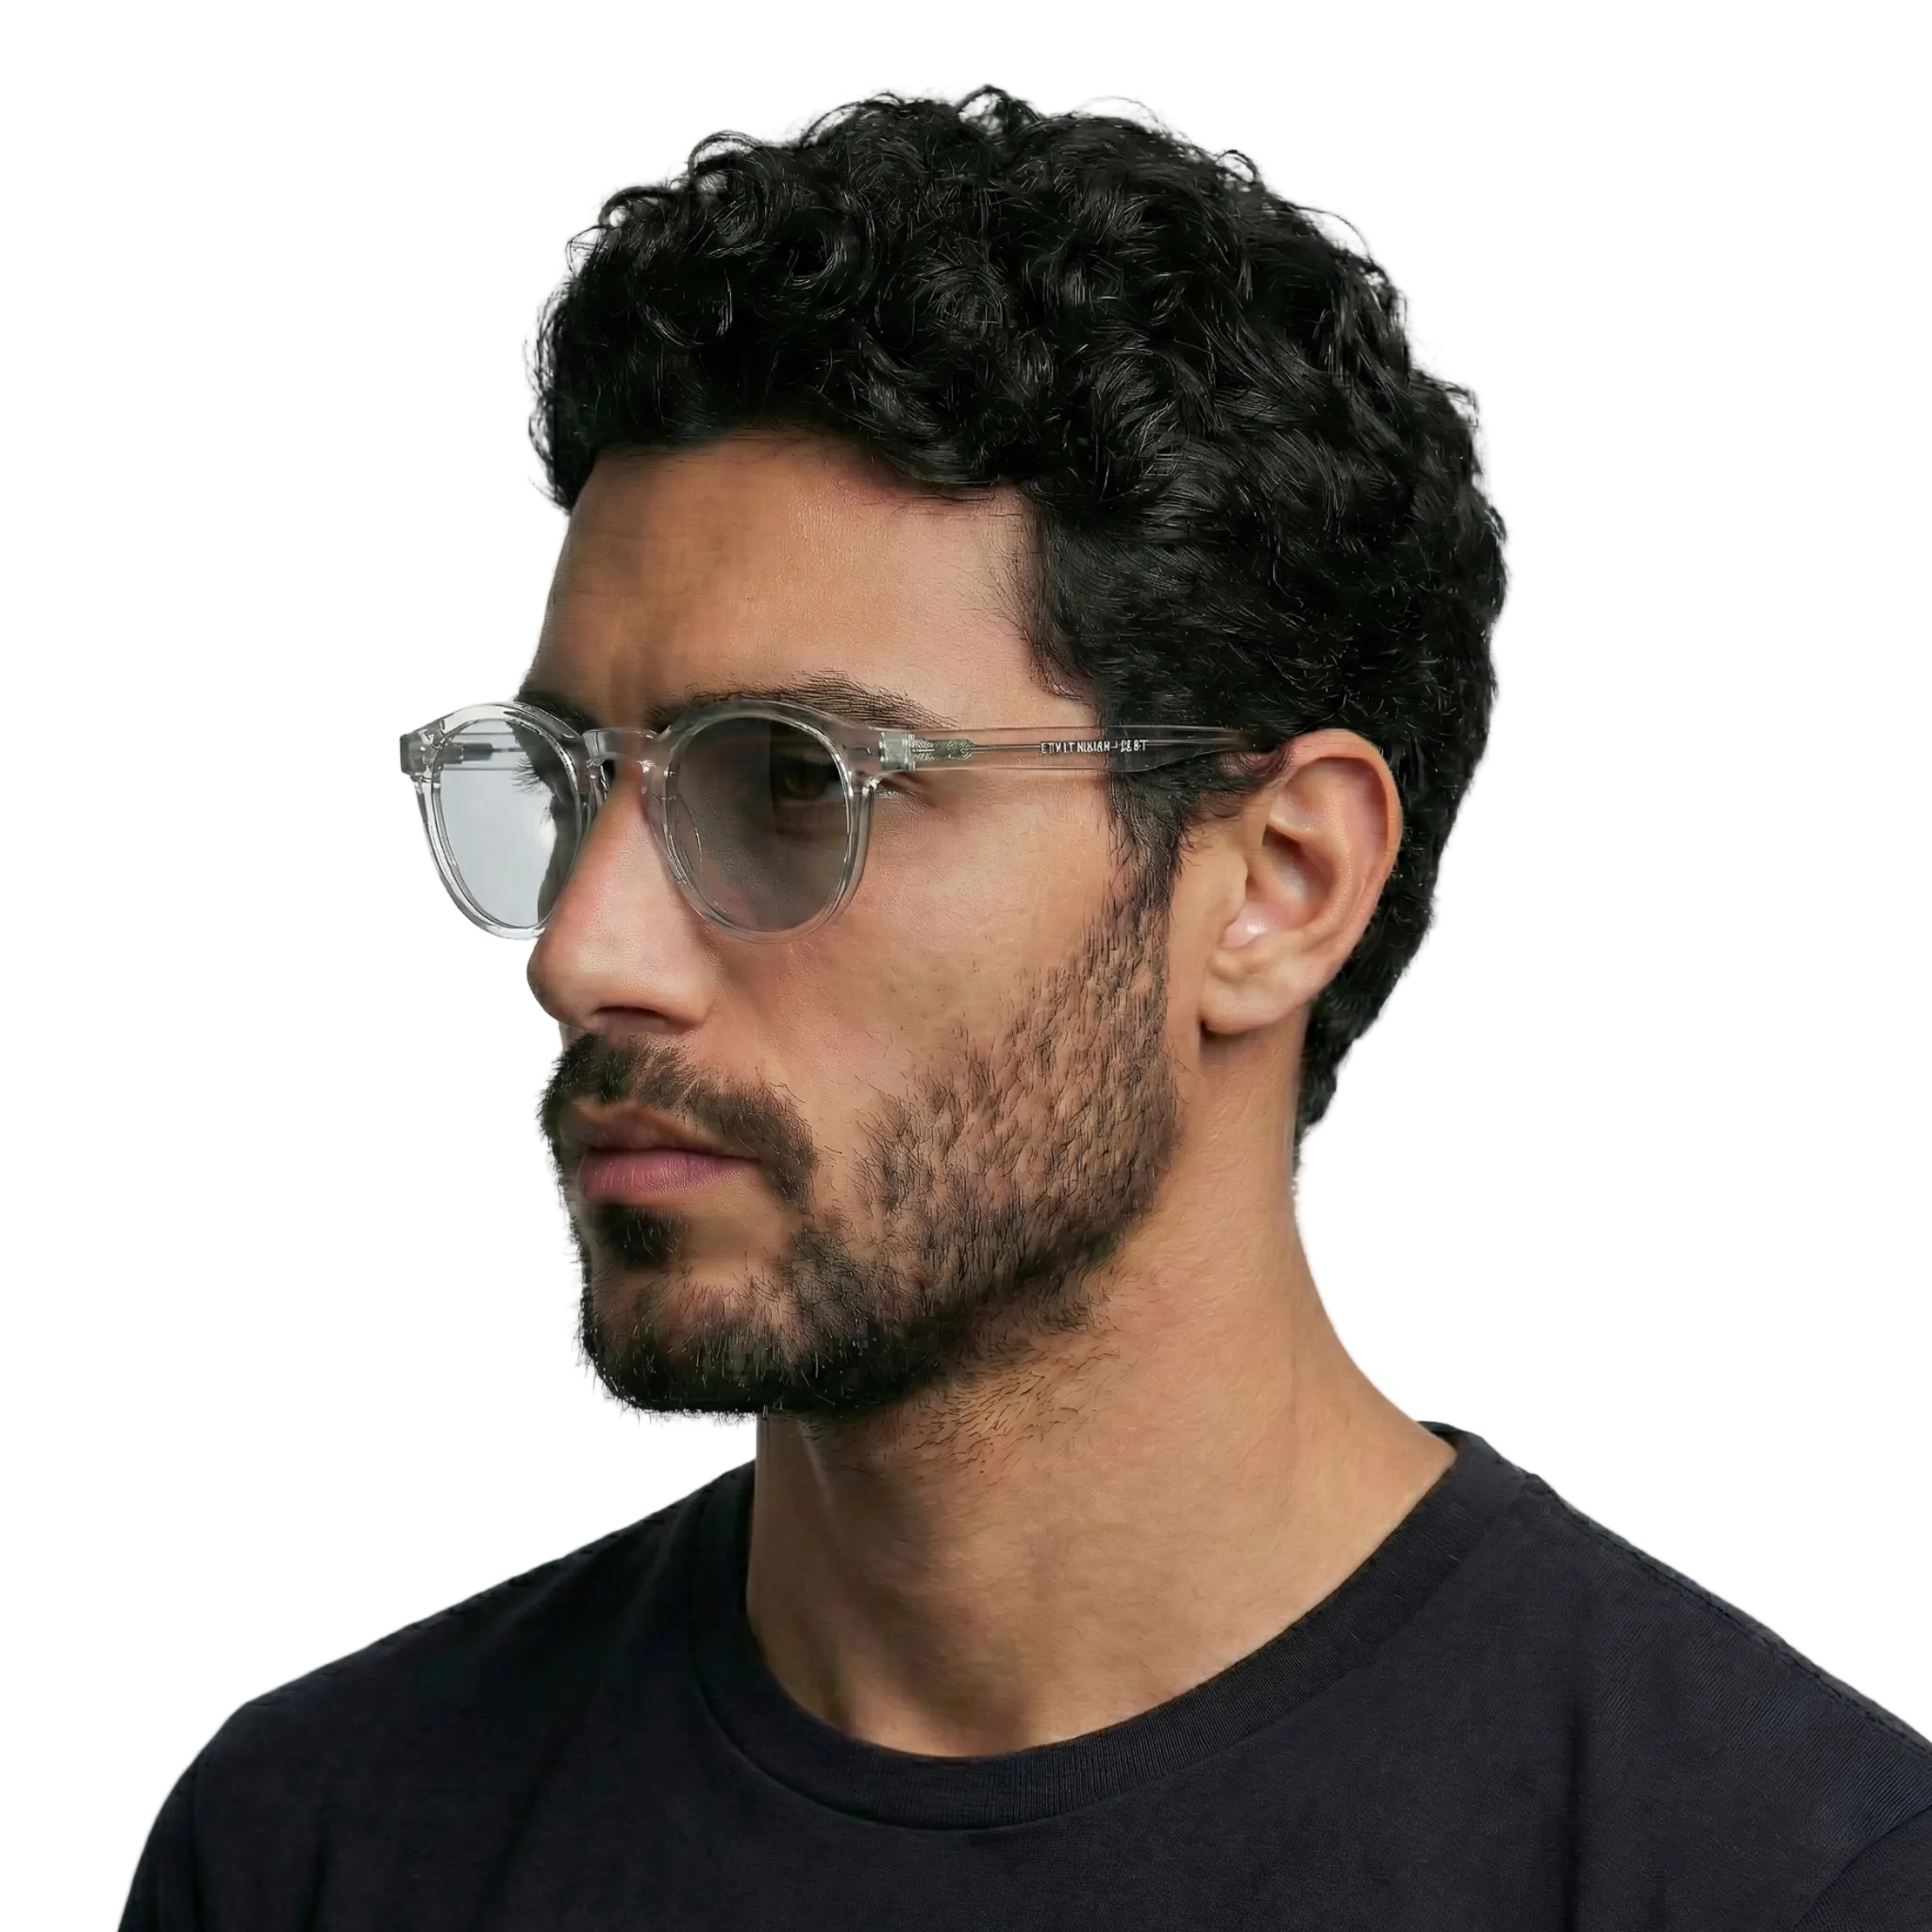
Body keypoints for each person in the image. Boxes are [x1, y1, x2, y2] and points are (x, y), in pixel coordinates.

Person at [122, 88, 1932, 1930]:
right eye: (574, 779)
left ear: (1277, 882)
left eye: (794, 784)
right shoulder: (312, 1854)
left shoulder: (1785, 1884)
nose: (585, 952)